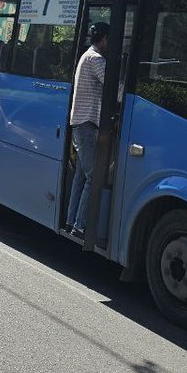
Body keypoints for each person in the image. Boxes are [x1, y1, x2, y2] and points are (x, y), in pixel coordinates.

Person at [66, 21, 109, 237]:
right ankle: (80, 225)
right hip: (87, 126)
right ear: (105, 39)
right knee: (94, 177)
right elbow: (114, 88)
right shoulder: (96, 59)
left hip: (81, 124)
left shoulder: (86, 55)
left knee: (81, 177)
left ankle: (71, 219)